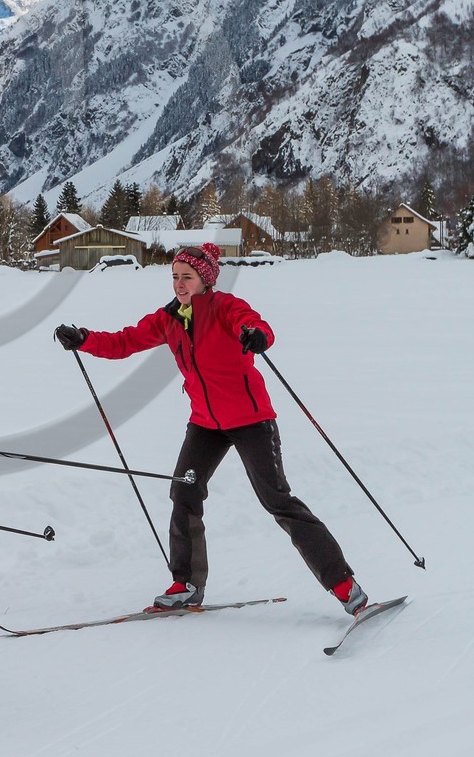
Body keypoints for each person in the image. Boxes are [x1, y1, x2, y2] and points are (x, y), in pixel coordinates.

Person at [53, 242, 367, 614]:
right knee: (184, 493)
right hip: (205, 423)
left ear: (205, 279)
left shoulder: (226, 308)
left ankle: (345, 585)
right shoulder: (168, 318)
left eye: (187, 277)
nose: (179, 284)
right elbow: (125, 341)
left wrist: (257, 335)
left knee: (278, 501)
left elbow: (255, 323)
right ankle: (185, 584)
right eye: (174, 277)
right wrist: (85, 339)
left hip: (251, 420)